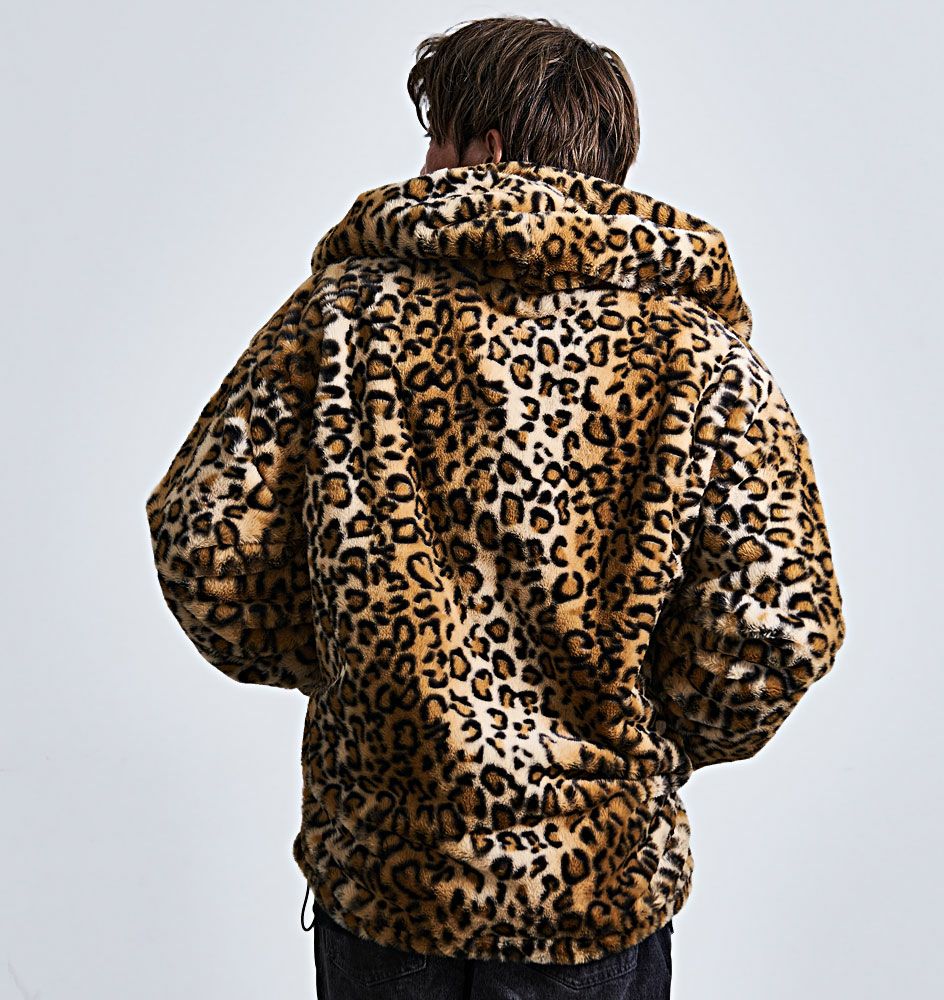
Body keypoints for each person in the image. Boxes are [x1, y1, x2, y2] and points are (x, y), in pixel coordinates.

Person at [144, 14, 847, 1000]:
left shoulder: (342, 319)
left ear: (487, 147)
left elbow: (205, 538)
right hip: (591, 888)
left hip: (392, 879)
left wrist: (363, 676)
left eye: (435, 137)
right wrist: (641, 738)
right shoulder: (698, 356)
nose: (422, 167)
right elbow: (777, 627)